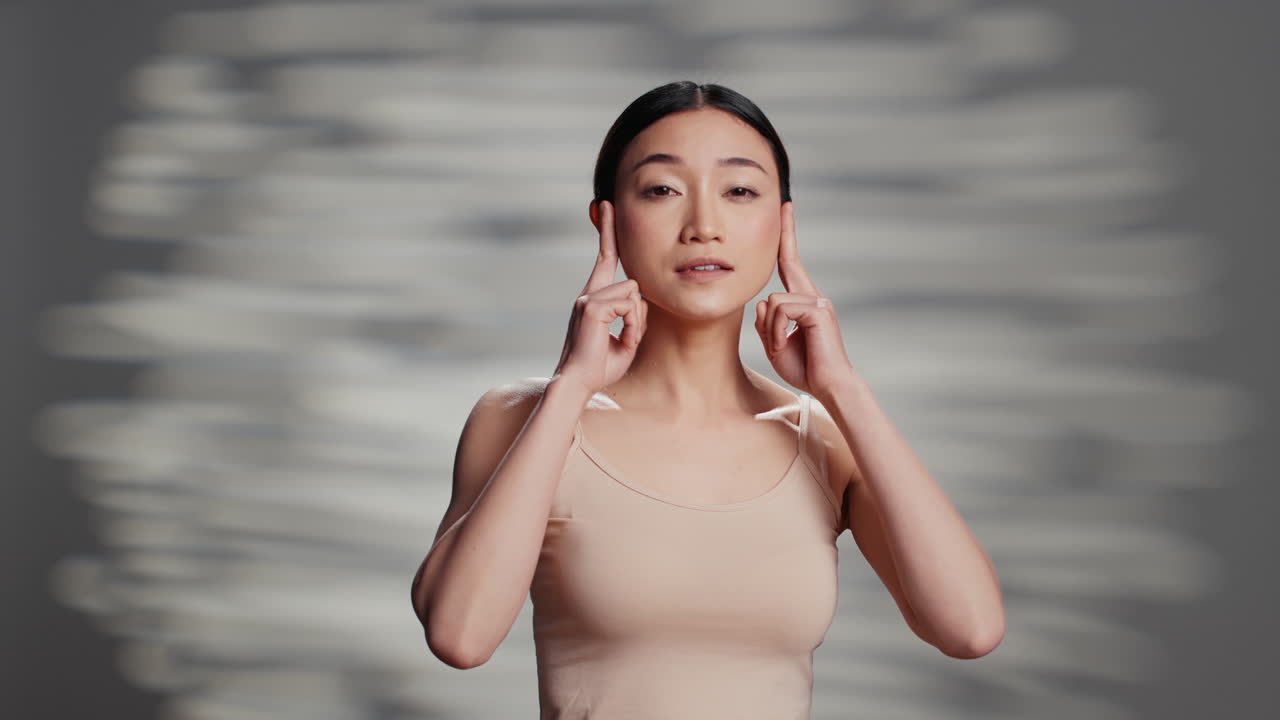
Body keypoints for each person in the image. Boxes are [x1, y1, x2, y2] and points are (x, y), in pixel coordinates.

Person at [411, 80, 1005, 717]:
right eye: (662, 190)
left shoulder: (825, 436)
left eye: (740, 191)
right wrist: (572, 386)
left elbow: (968, 629)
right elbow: (461, 636)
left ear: (783, 222)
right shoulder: (524, 419)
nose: (704, 227)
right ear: (606, 218)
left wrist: (843, 388)